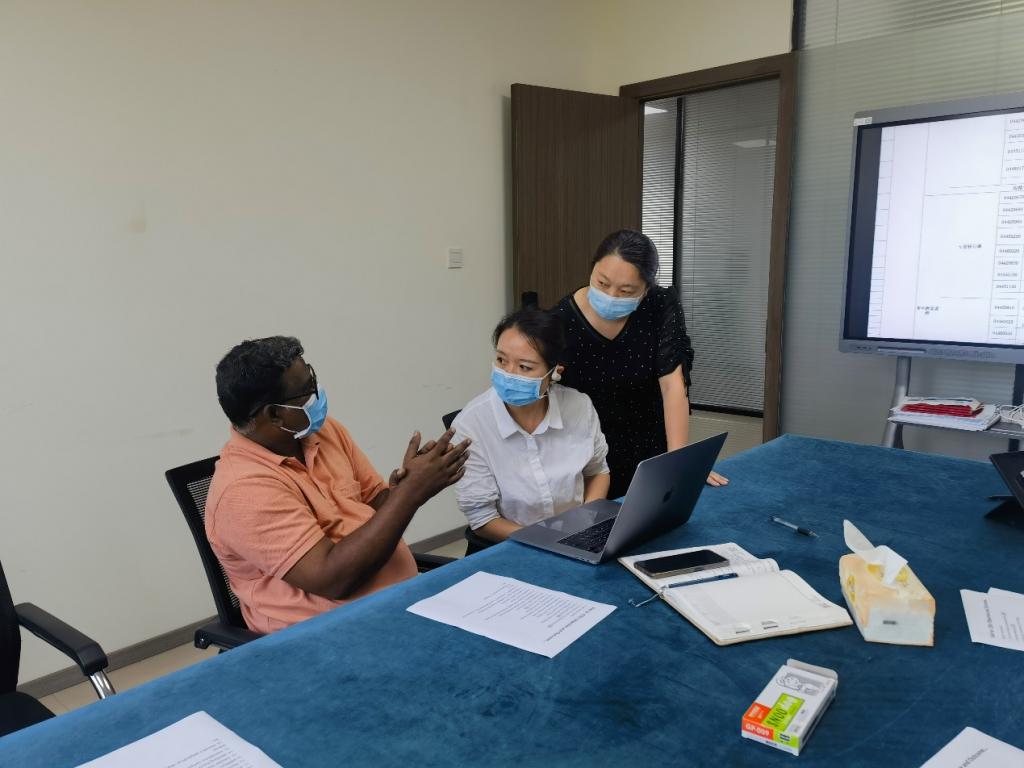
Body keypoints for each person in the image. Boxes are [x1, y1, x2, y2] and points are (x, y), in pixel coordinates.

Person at [205, 336, 469, 633]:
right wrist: (409, 495)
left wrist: (410, 483)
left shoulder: (324, 432)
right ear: (275, 414)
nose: (317, 395)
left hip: (398, 602)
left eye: (312, 378)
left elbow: (376, 503)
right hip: (325, 633)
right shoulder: (243, 491)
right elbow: (332, 580)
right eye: (306, 391)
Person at [551, 229, 728, 500]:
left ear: (646, 289)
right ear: (592, 269)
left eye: (626, 291)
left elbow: (673, 386)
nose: (611, 295)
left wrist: (678, 461)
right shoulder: (560, 320)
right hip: (589, 459)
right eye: (602, 283)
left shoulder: (659, 304)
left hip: (650, 449)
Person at [453, 308, 610, 543]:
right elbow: (483, 520)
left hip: (578, 537)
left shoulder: (578, 406)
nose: (508, 374)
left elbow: (597, 472)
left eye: (524, 367)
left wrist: (586, 526)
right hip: (514, 544)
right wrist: (550, 541)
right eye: (501, 360)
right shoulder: (471, 425)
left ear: (555, 372)